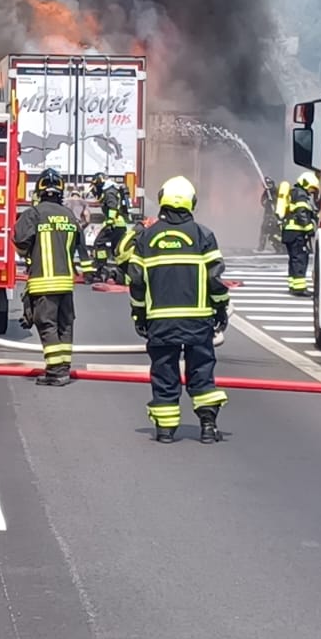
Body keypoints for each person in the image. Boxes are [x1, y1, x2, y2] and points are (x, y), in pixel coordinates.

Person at [125, 175, 230, 444]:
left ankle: (165, 430)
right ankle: (207, 427)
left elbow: (135, 280)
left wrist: (139, 314)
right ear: (191, 203)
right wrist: (220, 309)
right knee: (202, 370)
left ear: (162, 201)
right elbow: (215, 279)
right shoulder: (203, 235)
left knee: (164, 371)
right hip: (198, 322)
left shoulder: (146, 237)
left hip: (160, 321)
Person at [13, 167, 81, 385]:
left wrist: (30, 255)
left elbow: (20, 239)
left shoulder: (34, 214)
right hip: (66, 283)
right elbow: (78, 247)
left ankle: (55, 371)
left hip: (44, 281)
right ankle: (65, 368)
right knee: (65, 325)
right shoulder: (70, 215)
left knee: (46, 323)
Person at [281, 170, 319, 296]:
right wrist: (309, 229)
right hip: (296, 233)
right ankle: (299, 289)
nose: (312, 191)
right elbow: (301, 212)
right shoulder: (301, 195)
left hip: (289, 233)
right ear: (306, 183)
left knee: (294, 259)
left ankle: (293, 285)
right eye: (312, 188)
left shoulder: (294, 193)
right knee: (300, 259)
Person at [87, 173, 130, 283]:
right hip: (119, 224)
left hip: (114, 224)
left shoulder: (109, 191)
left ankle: (101, 268)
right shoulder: (111, 189)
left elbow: (112, 205)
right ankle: (123, 272)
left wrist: (110, 220)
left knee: (99, 243)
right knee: (117, 250)